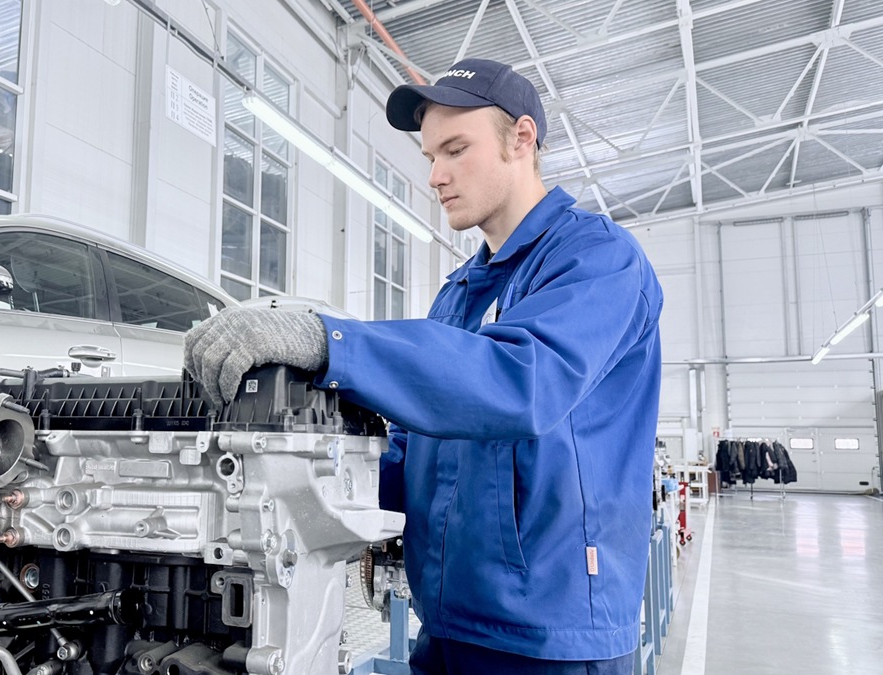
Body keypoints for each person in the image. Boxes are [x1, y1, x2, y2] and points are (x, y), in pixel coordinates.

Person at [184, 58, 663, 674]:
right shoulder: (460, 293)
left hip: (554, 637)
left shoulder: (599, 259)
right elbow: (410, 452)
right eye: (431, 156)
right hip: (447, 625)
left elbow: (520, 382)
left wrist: (331, 342)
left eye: (456, 150)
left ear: (521, 139)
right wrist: (286, 492)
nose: (436, 176)